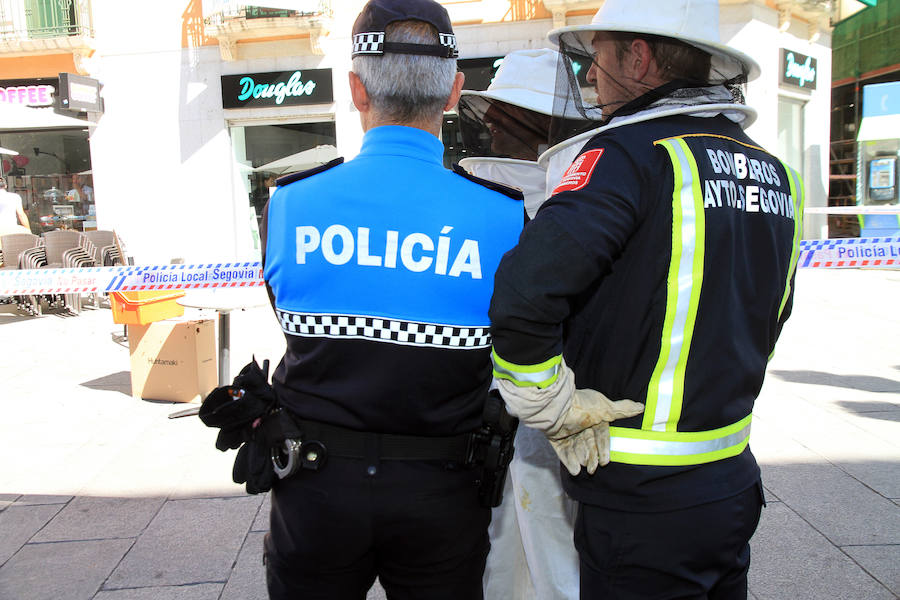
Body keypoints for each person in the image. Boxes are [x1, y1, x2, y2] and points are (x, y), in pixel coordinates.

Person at [488, 1, 805, 598]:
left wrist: (549, 405)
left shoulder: (626, 155)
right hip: (731, 482)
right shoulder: (775, 173)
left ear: (639, 57)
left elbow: (525, 294)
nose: (589, 76)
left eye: (599, 55)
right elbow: (772, 312)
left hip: (642, 503)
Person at [259, 1, 524, 598]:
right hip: (445, 492)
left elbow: (285, 314)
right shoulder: (504, 216)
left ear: (356, 89)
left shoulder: (290, 205)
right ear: (455, 91)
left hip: (314, 489)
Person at [457, 48, 581, 600]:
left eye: (505, 114)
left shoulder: (484, 194)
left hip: (514, 410)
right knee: (543, 554)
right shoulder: (581, 195)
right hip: (543, 407)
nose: (491, 125)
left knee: (519, 555)